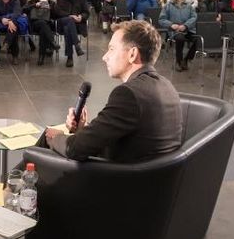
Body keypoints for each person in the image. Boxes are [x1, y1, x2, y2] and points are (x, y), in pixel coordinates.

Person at [44, 21, 184, 161]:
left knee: (46, 139)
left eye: (111, 49)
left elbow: (75, 149)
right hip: (153, 176)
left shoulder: (128, 94)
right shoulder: (167, 86)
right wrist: (82, 129)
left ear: (132, 54)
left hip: (120, 179)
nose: (104, 57)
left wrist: (55, 136)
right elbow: (131, 139)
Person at [159, 0, 198, 71]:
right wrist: (171, 25)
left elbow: (194, 18)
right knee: (180, 38)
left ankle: (186, 59)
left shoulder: (189, 6)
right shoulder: (168, 6)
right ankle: (178, 61)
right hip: (174, 30)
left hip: (187, 29)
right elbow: (161, 19)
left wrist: (185, 26)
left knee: (197, 39)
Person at [53, 0, 91, 67]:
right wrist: (71, 16)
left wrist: (81, 17)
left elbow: (86, 12)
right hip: (62, 22)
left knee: (68, 29)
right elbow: (58, 12)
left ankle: (70, 57)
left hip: (77, 24)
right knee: (68, 22)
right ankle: (77, 45)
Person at [0, 0, 23, 65]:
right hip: (1, 24)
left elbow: (17, 13)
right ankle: (14, 55)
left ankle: (7, 44)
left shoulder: (15, 1)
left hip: (12, 23)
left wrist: (10, 21)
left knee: (14, 27)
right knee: (14, 28)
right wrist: (2, 19)